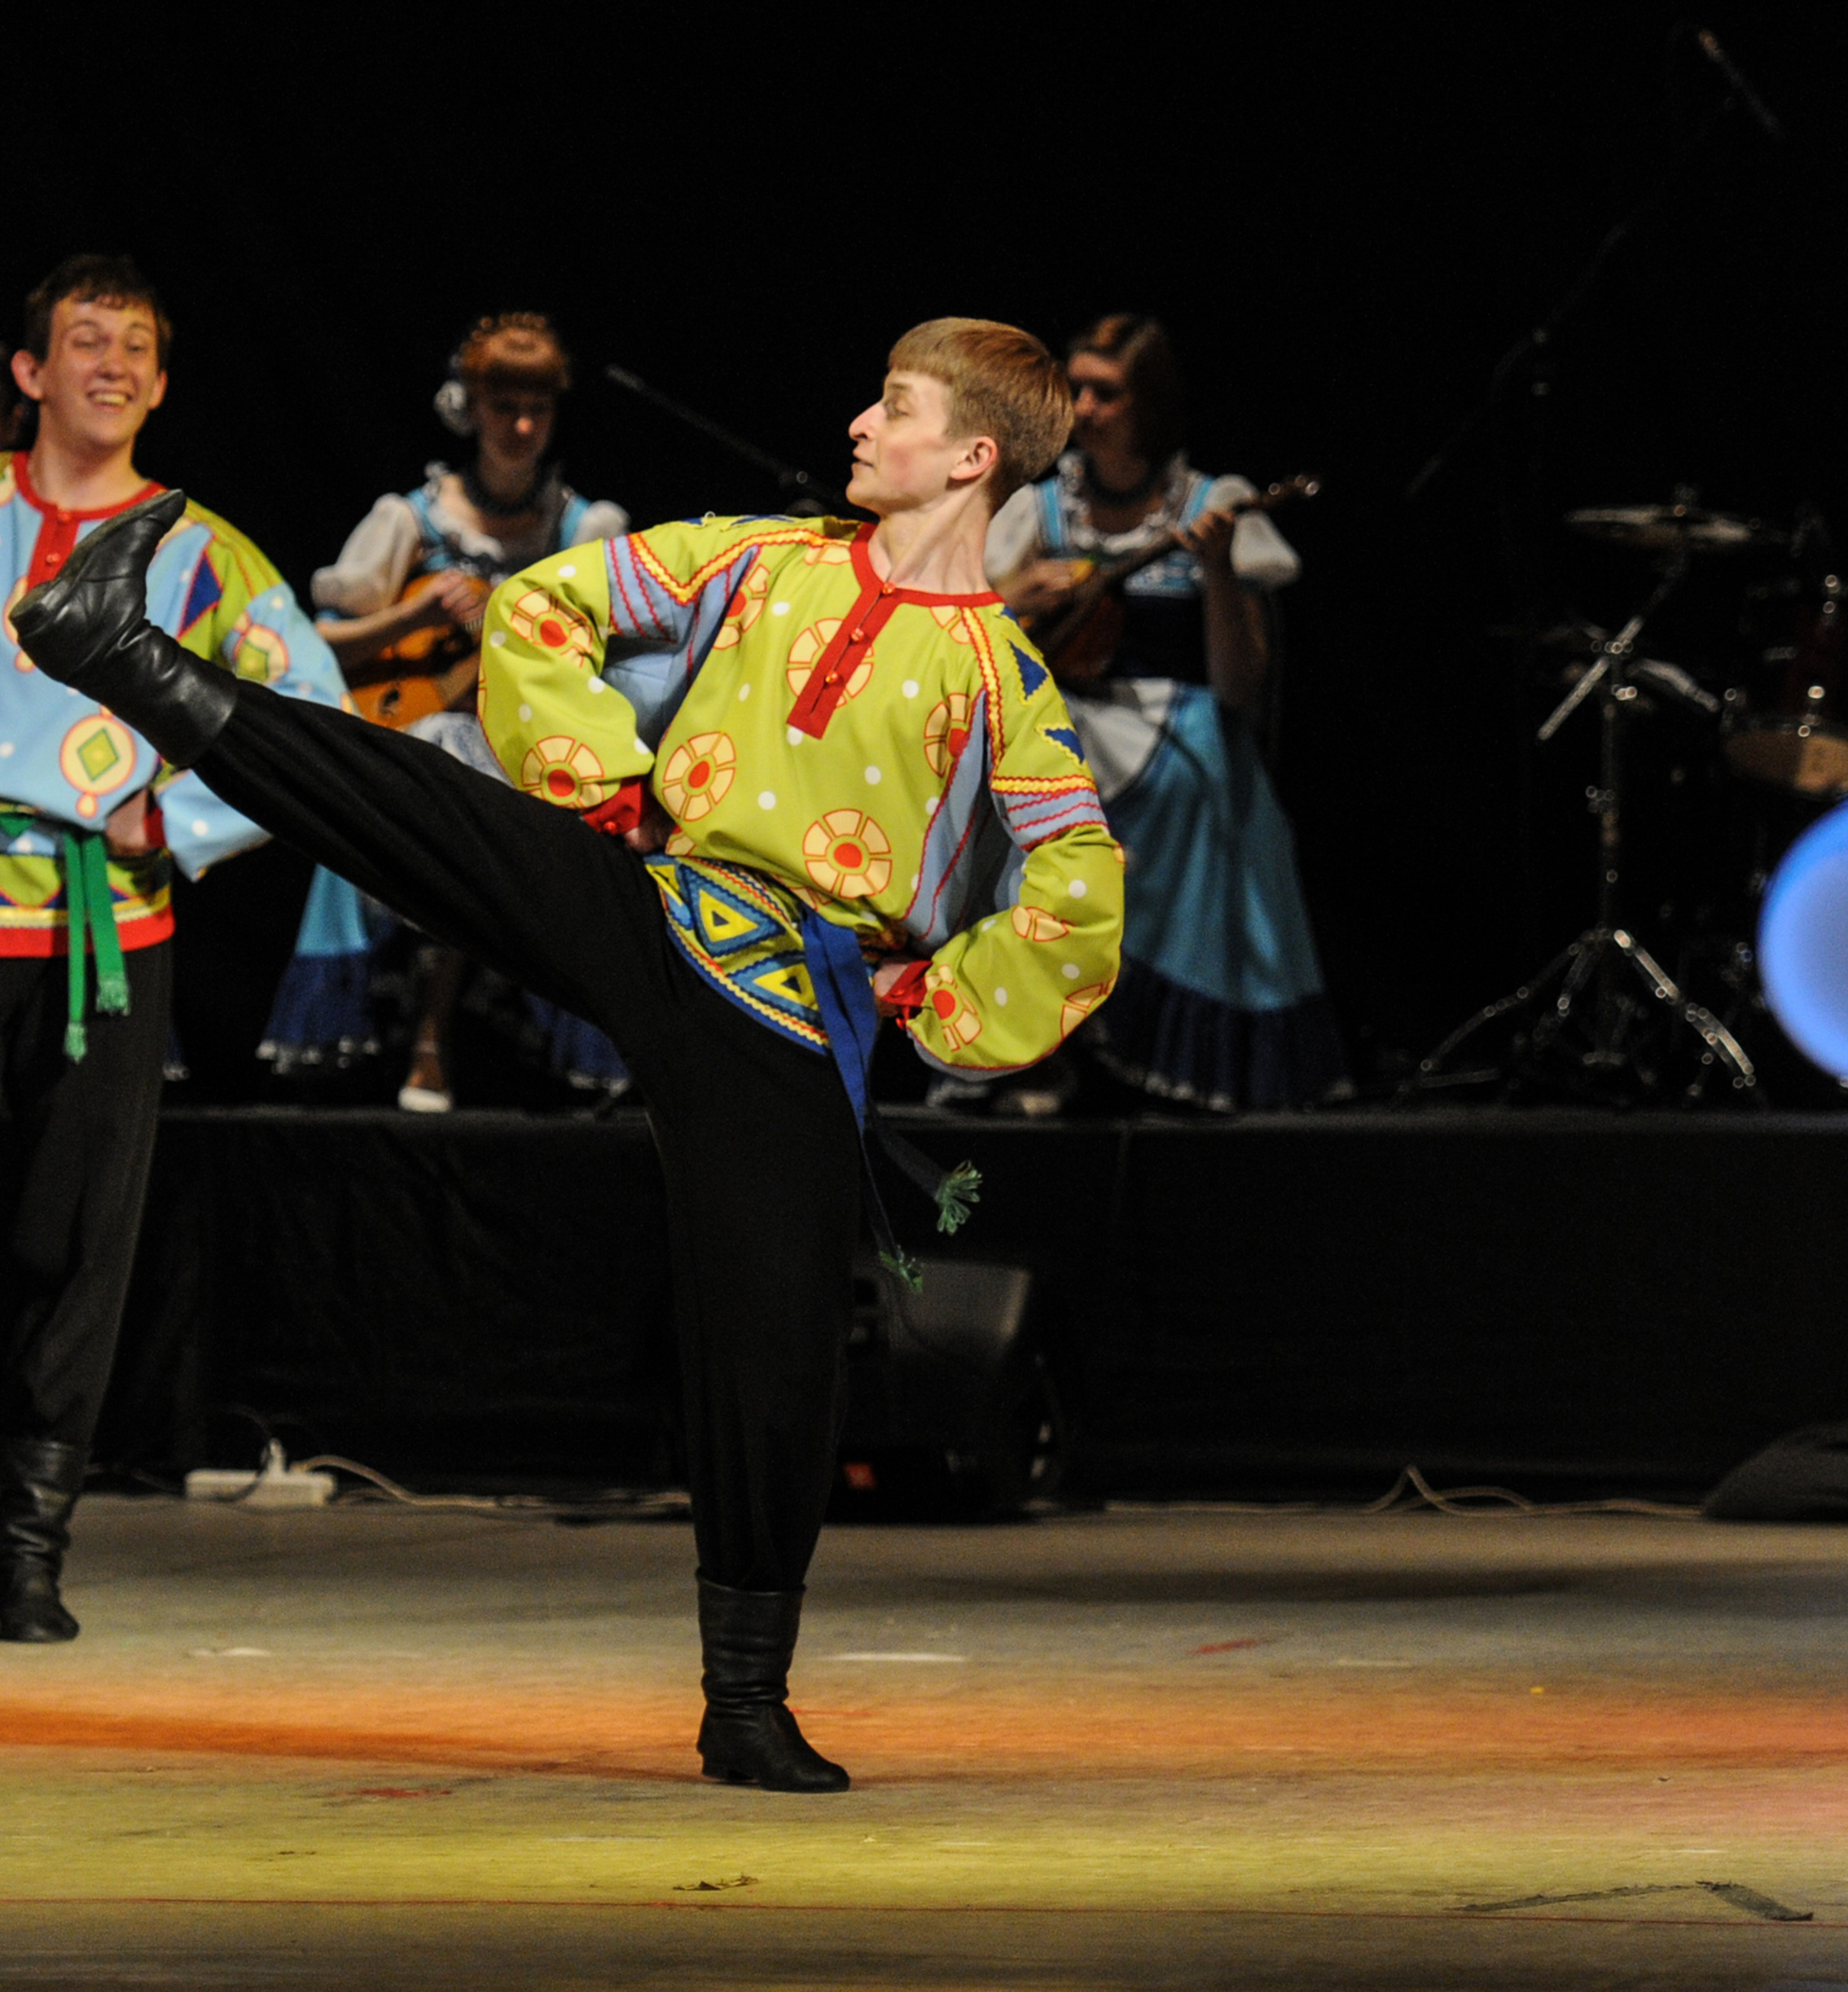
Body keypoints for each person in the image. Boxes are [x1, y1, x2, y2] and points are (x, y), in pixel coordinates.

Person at [15, 317, 1122, 1790]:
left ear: (972, 456)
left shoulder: (1006, 685)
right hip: (655, 907)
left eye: (895, 407)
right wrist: (598, 793)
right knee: (420, 810)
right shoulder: (757, 557)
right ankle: (126, 654)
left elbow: (1077, 901)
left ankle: (746, 1702)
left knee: (775, 1345)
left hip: (787, 1015)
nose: (860, 423)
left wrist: (926, 995)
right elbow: (546, 606)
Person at [0, 254, 345, 1640]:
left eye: (136, 345)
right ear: (28, 372)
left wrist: (180, 815)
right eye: (85, 340)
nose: (113, 363)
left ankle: (24, 1551)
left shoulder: (199, 550)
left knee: (72, 1246)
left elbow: (314, 715)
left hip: (103, 940)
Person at [266, 314, 630, 1107]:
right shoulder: (415, 519)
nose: (523, 427)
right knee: (444, 751)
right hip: (423, 754)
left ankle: (455, 1033)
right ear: (470, 406)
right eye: (505, 407)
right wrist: (418, 615)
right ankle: (427, 1032)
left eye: (538, 408)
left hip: (539, 759)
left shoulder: (582, 530)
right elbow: (319, 644)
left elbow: (617, 661)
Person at [985, 313, 1346, 1113]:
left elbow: (1236, 687)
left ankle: (1163, 1042)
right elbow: (969, 645)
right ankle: (1045, 1044)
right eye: (1074, 388)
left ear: (1147, 402)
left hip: (1179, 715)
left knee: (1200, 769)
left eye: (1104, 393)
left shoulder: (1210, 503)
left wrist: (1217, 571)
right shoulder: (1039, 509)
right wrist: (1009, 600)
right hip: (1067, 710)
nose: (1081, 407)